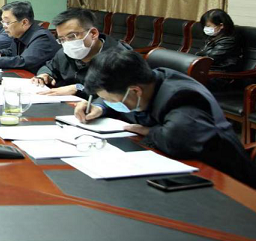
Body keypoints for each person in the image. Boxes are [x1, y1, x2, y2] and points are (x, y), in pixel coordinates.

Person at [75, 50, 256, 188]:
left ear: (135, 91)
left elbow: (176, 141)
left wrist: (148, 131)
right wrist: (100, 106)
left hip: (223, 180)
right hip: (177, 170)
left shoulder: (183, 97)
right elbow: (119, 98)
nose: (110, 103)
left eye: (110, 100)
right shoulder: (146, 83)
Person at [32, 8, 132, 98]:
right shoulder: (65, 52)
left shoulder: (119, 59)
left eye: (72, 36)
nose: (67, 43)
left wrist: (79, 88)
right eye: (62, 39)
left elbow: (119, 95)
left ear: (93, 33)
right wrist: (45, 75)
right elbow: (50, 66)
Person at [0, 1, 59, 73]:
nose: (4, 26)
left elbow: (24, 61)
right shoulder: (18, 33)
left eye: (7, 22)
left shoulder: (42, 37)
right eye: (3, 22)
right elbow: (11, 51)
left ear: (24, 22)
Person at [196, 9, 243, 73]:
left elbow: (211, 59)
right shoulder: (212, 36)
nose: (205, 28)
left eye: (208, 26)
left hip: (220, 72)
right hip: (207, 69)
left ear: (221, 25)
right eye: (204, 26)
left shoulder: (228, 40)